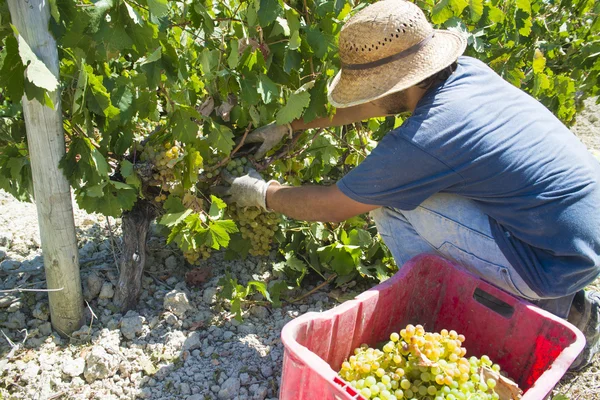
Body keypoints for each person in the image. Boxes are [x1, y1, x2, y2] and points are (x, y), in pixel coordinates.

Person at [217, 0, 600, 370]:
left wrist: (262, 194)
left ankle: (452, 319)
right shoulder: (467, 73)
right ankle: (569, 309)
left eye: (374, 85)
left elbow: (334, 205)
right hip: (576, 239)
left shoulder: (426, 137)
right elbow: (379, 102)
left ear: (399, 81)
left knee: (393, 204)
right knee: (434, 191)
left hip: (548, 263)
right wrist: (289, 124)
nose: (370, 95)